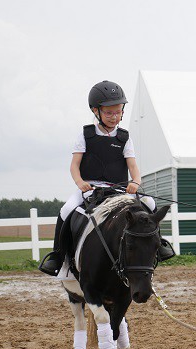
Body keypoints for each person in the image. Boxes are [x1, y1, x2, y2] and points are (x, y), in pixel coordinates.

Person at [39, 80, 174, 276]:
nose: (114, 117)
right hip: (91, 188)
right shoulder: (85, 135)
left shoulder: (125, 137)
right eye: (109, 113)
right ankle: (58, 257)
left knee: (151, 203)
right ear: (96, 111)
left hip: (119, 188)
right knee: (66, 209)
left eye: (118, 112)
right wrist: (80, 183)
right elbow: (74, 165)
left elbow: (133, 167)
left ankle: (159, 245)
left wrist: (135, 182)